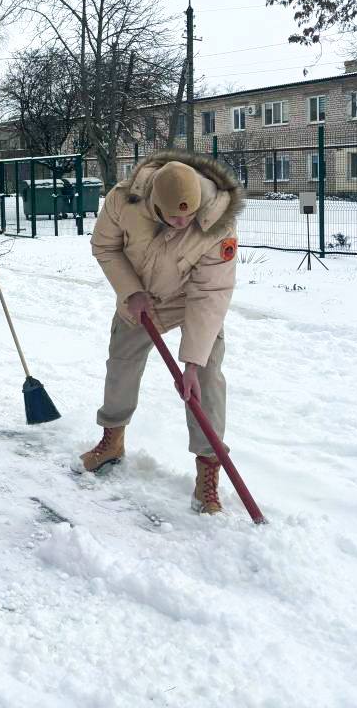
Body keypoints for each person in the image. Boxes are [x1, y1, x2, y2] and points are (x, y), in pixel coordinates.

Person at [82, 151, 243, 514]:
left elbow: (211, 293)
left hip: (191, 300)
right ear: (154, 201)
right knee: (121, 365)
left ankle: (207, 470)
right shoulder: (124, 201)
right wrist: (131, 292)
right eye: (173, 216)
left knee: (206, 379)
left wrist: (192, 363)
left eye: (189, 215)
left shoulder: (217, 223)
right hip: (140, 295)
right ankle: (112, 440)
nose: (183, 222)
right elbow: (104, 246)